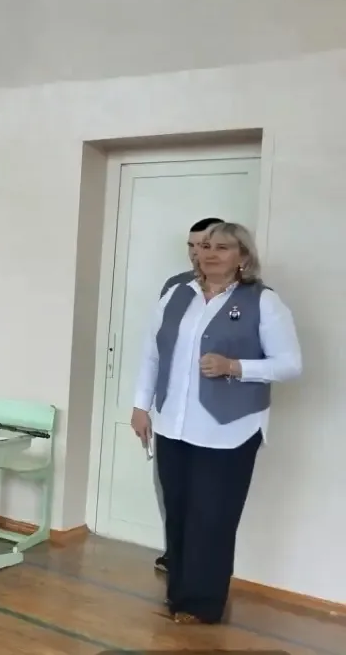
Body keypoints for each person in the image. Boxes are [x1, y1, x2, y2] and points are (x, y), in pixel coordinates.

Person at [130, 222, 301, 625]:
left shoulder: (263, 301)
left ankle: (202, 605)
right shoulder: (176, 295)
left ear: (243, 256)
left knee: (213, 519)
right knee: (178, 512)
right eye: (205, 246)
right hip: (172, 426)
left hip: (229, 431)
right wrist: (140, 406)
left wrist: (236, 367)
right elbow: (152, 354)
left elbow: (290, 364)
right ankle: (178, 596)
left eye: (222, 247)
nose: (209, 253)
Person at [153, 216, 223, 575]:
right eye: (192, 246)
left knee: (208, 494)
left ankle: (200, 563)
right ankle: (174, 552)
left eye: (205, 245)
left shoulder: (245, 292)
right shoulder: (175, 286)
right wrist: (144, 404)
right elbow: (158, 347)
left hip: (214, 413)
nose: (197, 253)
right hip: (170, 410)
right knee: (170, 488)